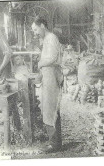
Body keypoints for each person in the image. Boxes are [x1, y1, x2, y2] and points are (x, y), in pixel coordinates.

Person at [31, 17, 63, 153]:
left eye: (36, 29)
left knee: (51, 108)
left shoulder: (51, 38)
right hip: (47, 75)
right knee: (47, 107)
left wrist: (40, 64)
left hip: (52, 75)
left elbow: (52, 58)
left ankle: (55, 144)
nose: (35, 33)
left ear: (43, 25)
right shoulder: (46, 39)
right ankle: (53, 140)